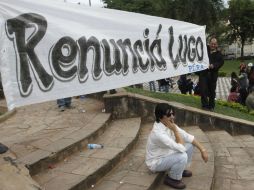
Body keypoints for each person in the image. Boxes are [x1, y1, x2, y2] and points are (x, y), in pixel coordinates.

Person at [146, 103, 208, 189]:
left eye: (173, 113)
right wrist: (175, 131)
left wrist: (203, 150)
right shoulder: (158, 133)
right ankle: (172, 178)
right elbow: (181, 148)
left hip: (167, 154)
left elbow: (187, 136)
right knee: (182, 156)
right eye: (168, 115)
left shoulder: (168, 124)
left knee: (190, 145)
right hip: (156, 162)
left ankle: (180, 170)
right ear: (160, 117)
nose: (172, 117)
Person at [198, 37, 224, 111]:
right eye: (211, 43)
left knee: (212, 92)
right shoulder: (204, 50)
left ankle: (211, 106)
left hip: (212, 75)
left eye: (214, 44)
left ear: (216, 45)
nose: (213, 45)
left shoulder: (219, 54)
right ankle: (204, 105)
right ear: (209, 43)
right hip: (203, 74)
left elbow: (221, 62)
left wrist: (213, 65)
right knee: (203, 90)